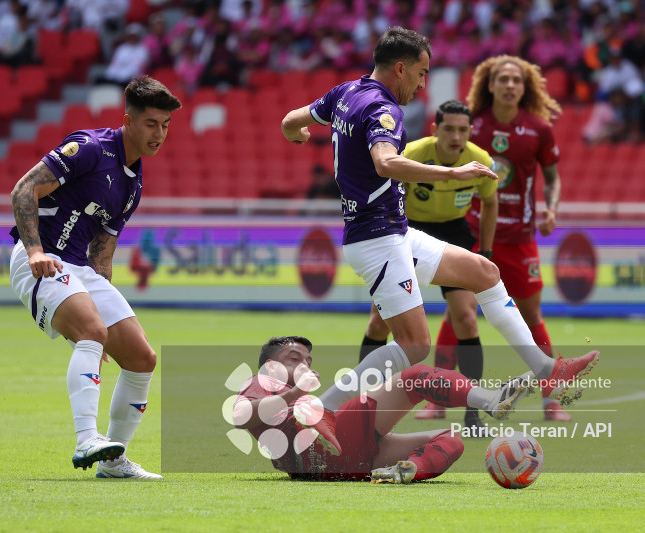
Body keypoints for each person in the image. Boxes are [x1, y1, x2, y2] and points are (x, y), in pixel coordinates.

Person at [281, 27, 599, 454]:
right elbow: (386, 162)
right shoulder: (383, 108)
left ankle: (545, 369)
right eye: (421, 73)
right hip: (377, 238)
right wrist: (453, 173)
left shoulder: (344, 92)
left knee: (484, 272)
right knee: (414, 345)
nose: (422, 84)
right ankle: (322, 409)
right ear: (400, 68)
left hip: (391, 231)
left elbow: (290, 121)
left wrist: (297, 135)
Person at [8, 76, 182, 478]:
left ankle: (113, 462)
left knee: (141, 358)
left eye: (165, 125)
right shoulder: (89, 148)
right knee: (92, 331)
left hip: (80, 268)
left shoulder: (134, 183)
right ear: (128, 121)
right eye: (151, 124)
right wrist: (35, 250)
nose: (159, 134)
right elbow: (24, 189)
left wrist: (100, 314)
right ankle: (87, 439)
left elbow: (102, 254)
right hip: (40, 259)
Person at [434, 55, 574, 422]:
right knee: (459, 311)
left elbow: (553, 178)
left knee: (530, 314)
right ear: (490, 85)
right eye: (503, 79)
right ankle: (438, 400)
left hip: (520, 236)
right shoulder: (472, 125)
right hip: (472, 232)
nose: (510, 85)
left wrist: (552, 209)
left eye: (516, 80)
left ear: (525, 88)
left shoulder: (539, 129)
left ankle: (551, 400)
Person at [358, 99, 499, 430]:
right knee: (378, 322)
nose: (456, 136)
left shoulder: (481, 161)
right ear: (436, 129)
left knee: (467, 319)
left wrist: (486, 251)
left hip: (454, 233)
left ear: (470, 131)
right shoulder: (412, 153)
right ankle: (363, 406)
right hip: (408, 232)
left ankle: (473, 412)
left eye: (462, 130)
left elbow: (490, 203)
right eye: (449, 129)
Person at [234, 336, 535, 482]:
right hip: (318, 438)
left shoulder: (293, 395)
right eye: (294, 358)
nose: (304, 364)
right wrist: (296, 393)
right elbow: (241, 416)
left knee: (451, 439)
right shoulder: (263, 381)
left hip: (339, 465)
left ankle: (406, 470)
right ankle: (489, 400)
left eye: (308, 361)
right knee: (414, 377)